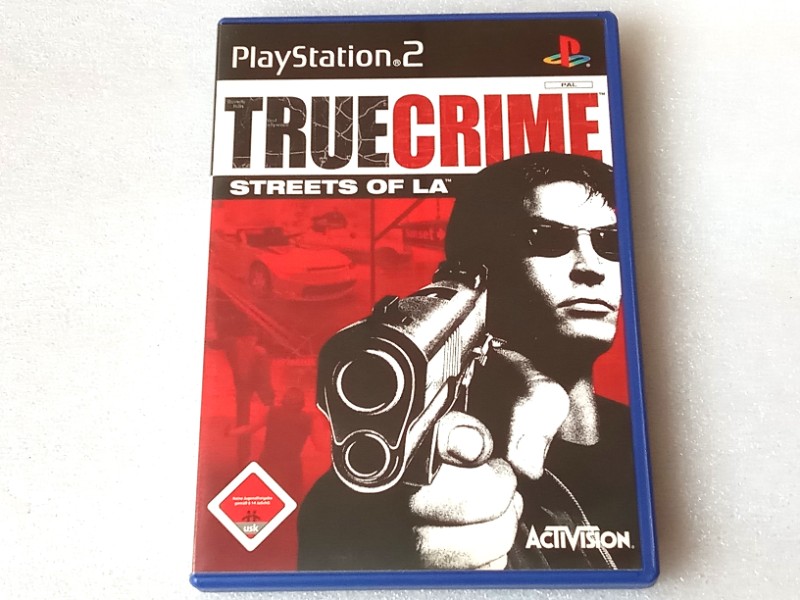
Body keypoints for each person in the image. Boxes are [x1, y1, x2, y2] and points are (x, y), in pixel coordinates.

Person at [297, 152, 640, 571]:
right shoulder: (417, 466)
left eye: (609, 242)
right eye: (547, 239)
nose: (592, 267)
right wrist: (389, 540)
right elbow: (344, 523)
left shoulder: (644, 439)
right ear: (483, 273)